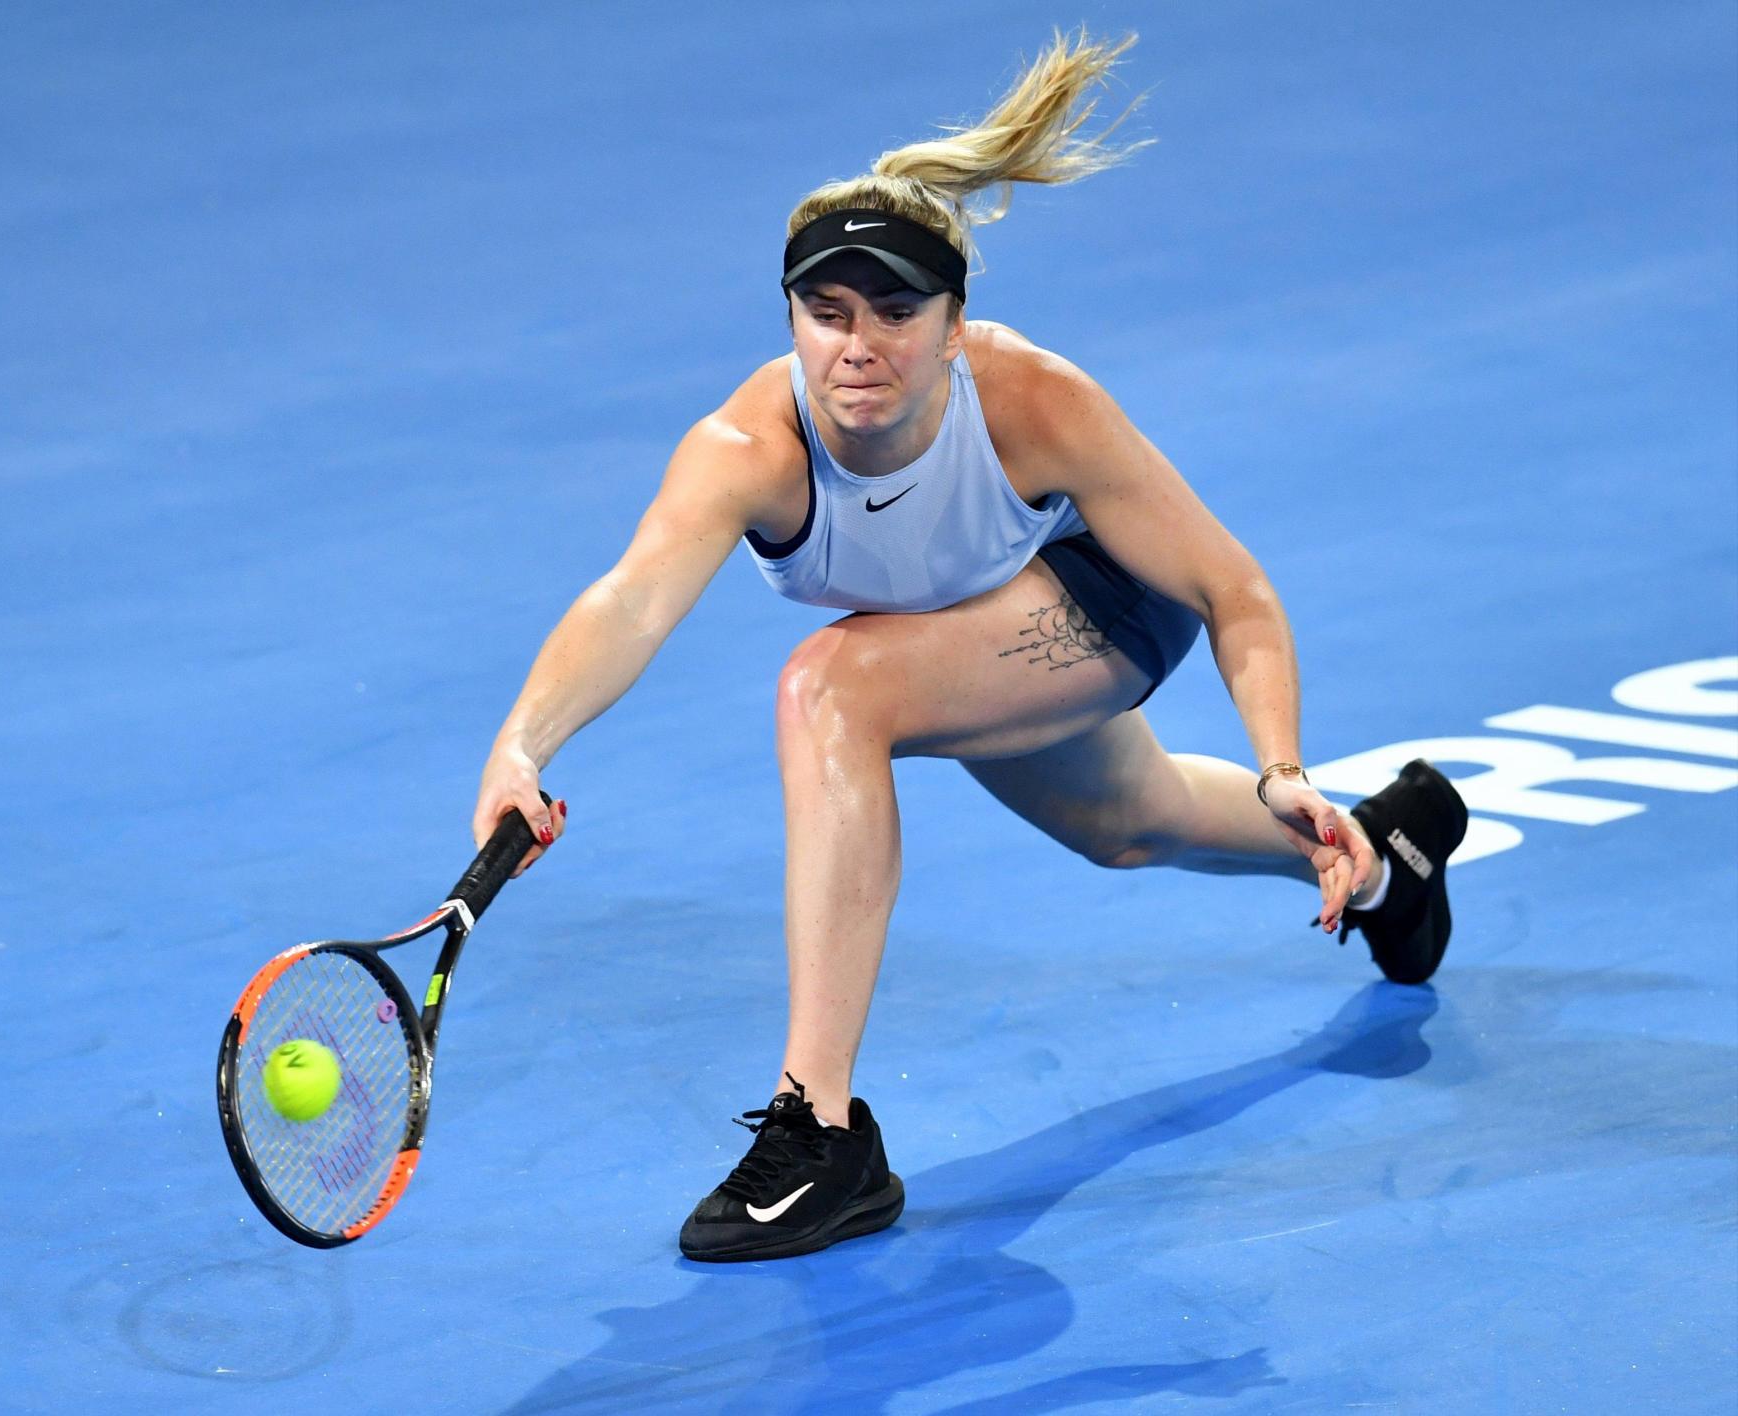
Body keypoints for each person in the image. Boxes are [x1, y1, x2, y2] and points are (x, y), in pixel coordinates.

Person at [470, 30, 1468, 1263]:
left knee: (831, 685)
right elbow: (629, 602)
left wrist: (1279, 764)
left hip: (1103, 603)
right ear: (791, 319)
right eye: (824, 313)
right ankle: (1386, 860)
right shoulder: (745, 450)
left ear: (953, 326)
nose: (856, 345)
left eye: (895, 312)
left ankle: (820, 1132)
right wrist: (521, 747)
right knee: (1129, 824)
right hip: (969, 626)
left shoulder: (1030, 400)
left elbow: (1231, 589)